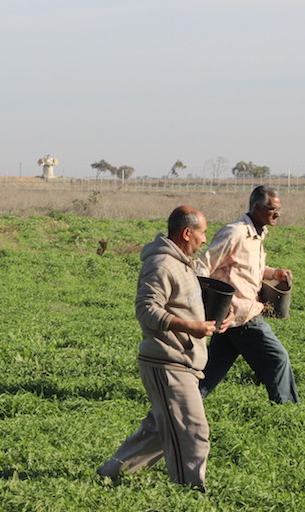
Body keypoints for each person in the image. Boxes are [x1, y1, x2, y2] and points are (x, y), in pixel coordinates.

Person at [98, 206, 230, 490]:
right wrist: (190, 327)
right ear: (186, 232)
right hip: (167, 361)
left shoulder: (183, 263)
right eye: (202, 232)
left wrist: (213, 318)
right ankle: (189, 491)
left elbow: (183, 303)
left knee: (159, 430)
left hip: (183, 360)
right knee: (194, 431)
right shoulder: (161, 264)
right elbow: (146, 310)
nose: (204, 239)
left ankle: (110, 474)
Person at [196, 185, 299, 404]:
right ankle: (288, 412)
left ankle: (183, 403)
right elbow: (203, 267)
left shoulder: (257, 235)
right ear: (258, 207)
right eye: (273, 209)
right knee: (278, 359)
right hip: (241, 316)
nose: (277, 214)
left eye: (278, 209)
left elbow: (247, 268)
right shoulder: (235, 233)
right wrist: (216, 305)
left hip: (232, 320)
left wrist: (274, 273)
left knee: (211, 370)